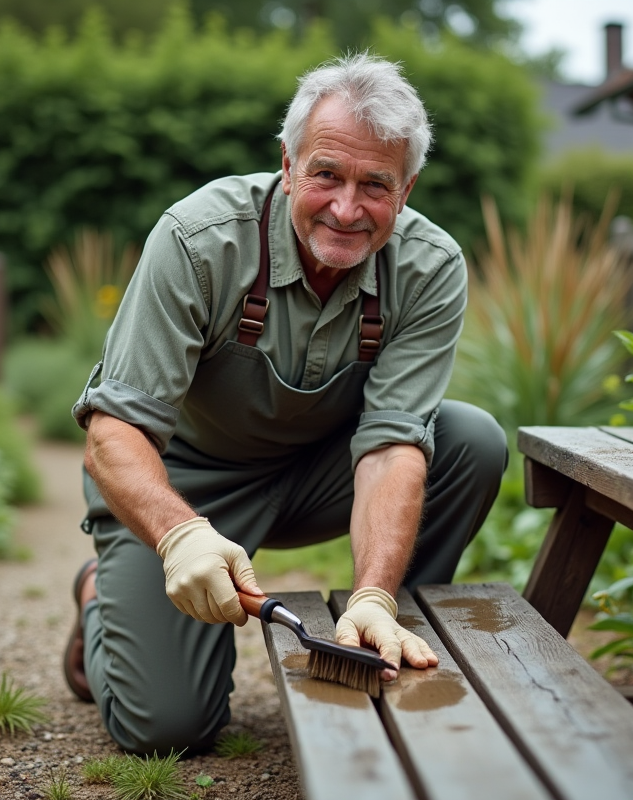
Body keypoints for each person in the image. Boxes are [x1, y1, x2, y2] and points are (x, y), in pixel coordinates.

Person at [63, 52, 507, 754]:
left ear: (408, 188)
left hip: (317, 476)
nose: (347, 207)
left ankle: (387, 634)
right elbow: (113, 430)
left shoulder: (429, 267)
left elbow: (393, 445)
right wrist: (180, 536)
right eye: (327, 174)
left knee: (468, 441)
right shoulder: (199, 241)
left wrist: (371, 595)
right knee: (167, 730)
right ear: (289, 161)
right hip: (184, 484)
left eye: (376, 185)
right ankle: (97, 594)